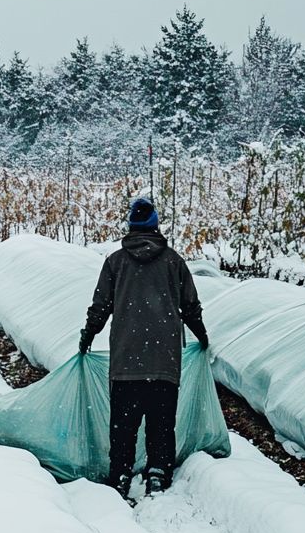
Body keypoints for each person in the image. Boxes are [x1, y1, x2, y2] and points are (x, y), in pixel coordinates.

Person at [78, 197, 210, 500]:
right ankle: (157, 473)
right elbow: (190, 306)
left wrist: (87, 336)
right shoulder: (173, 261)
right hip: (164, 360)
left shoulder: (115, 262)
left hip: (126, 359)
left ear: (130, 226)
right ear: (156, 225)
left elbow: (100, 307)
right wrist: (201, 335)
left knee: (123, 424)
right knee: (161, 422)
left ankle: (121, 474)